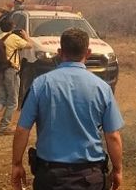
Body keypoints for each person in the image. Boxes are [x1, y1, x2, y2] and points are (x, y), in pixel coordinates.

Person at [11, 28, 124, 190]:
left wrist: (16, 164)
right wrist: (118, 170)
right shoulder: (102, 88)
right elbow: (112, 136)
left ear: (59, 52)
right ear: (88, 53)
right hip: (90, 178)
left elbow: (22, 130)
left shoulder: (40, 84)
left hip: (50, 177)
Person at [0, 19, 32, 136]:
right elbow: (30, 45)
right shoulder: (14, 38)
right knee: (13, 102)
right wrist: (25, 36)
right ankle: (3, 127)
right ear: (12, 27)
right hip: (11, 71)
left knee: (2, 98)